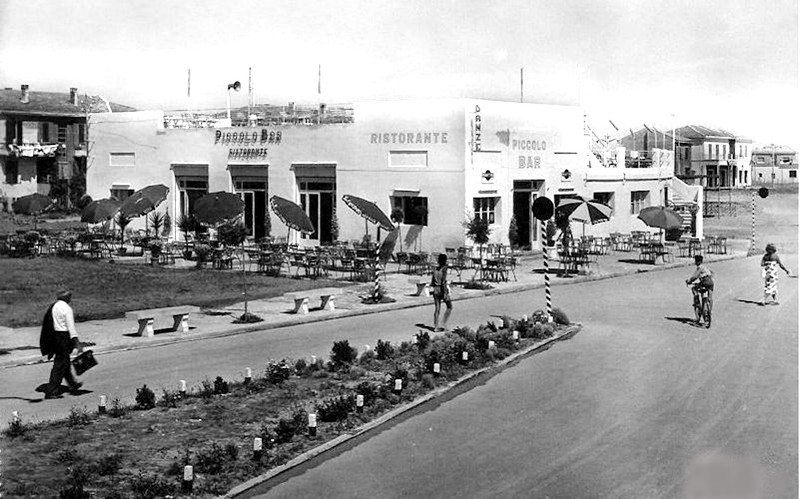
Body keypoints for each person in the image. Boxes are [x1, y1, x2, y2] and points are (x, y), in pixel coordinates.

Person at [40, 290, 83, 399]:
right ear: (67, 298)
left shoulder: (54, 306)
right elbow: (71, 327)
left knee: (65, 361)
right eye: (69, 297)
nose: (70, 299)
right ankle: (51, 391)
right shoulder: (66, 308)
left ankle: (73, 384)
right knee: (60, 364)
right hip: (63, 337)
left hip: (55, 337)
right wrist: (77, 343)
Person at [685, 255, 714, 325]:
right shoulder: (705, 267)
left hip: (704, 282)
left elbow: (695, 277)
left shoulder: (699, 268)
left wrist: (689, 281)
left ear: (696, 262)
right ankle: (710, 311)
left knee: (694, 289)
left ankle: (697, 303)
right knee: (710, 297)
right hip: (711, 282)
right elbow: (712, 273)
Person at [431, 253, 453, 332]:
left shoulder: (435, 270)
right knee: (449, 306)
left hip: (435, 290)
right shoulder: (444, 268)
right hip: (441, 290)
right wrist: (445, 293)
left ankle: (436, 326)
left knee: (437, 309)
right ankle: (444, 323)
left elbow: (432, 282)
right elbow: (443, 281)